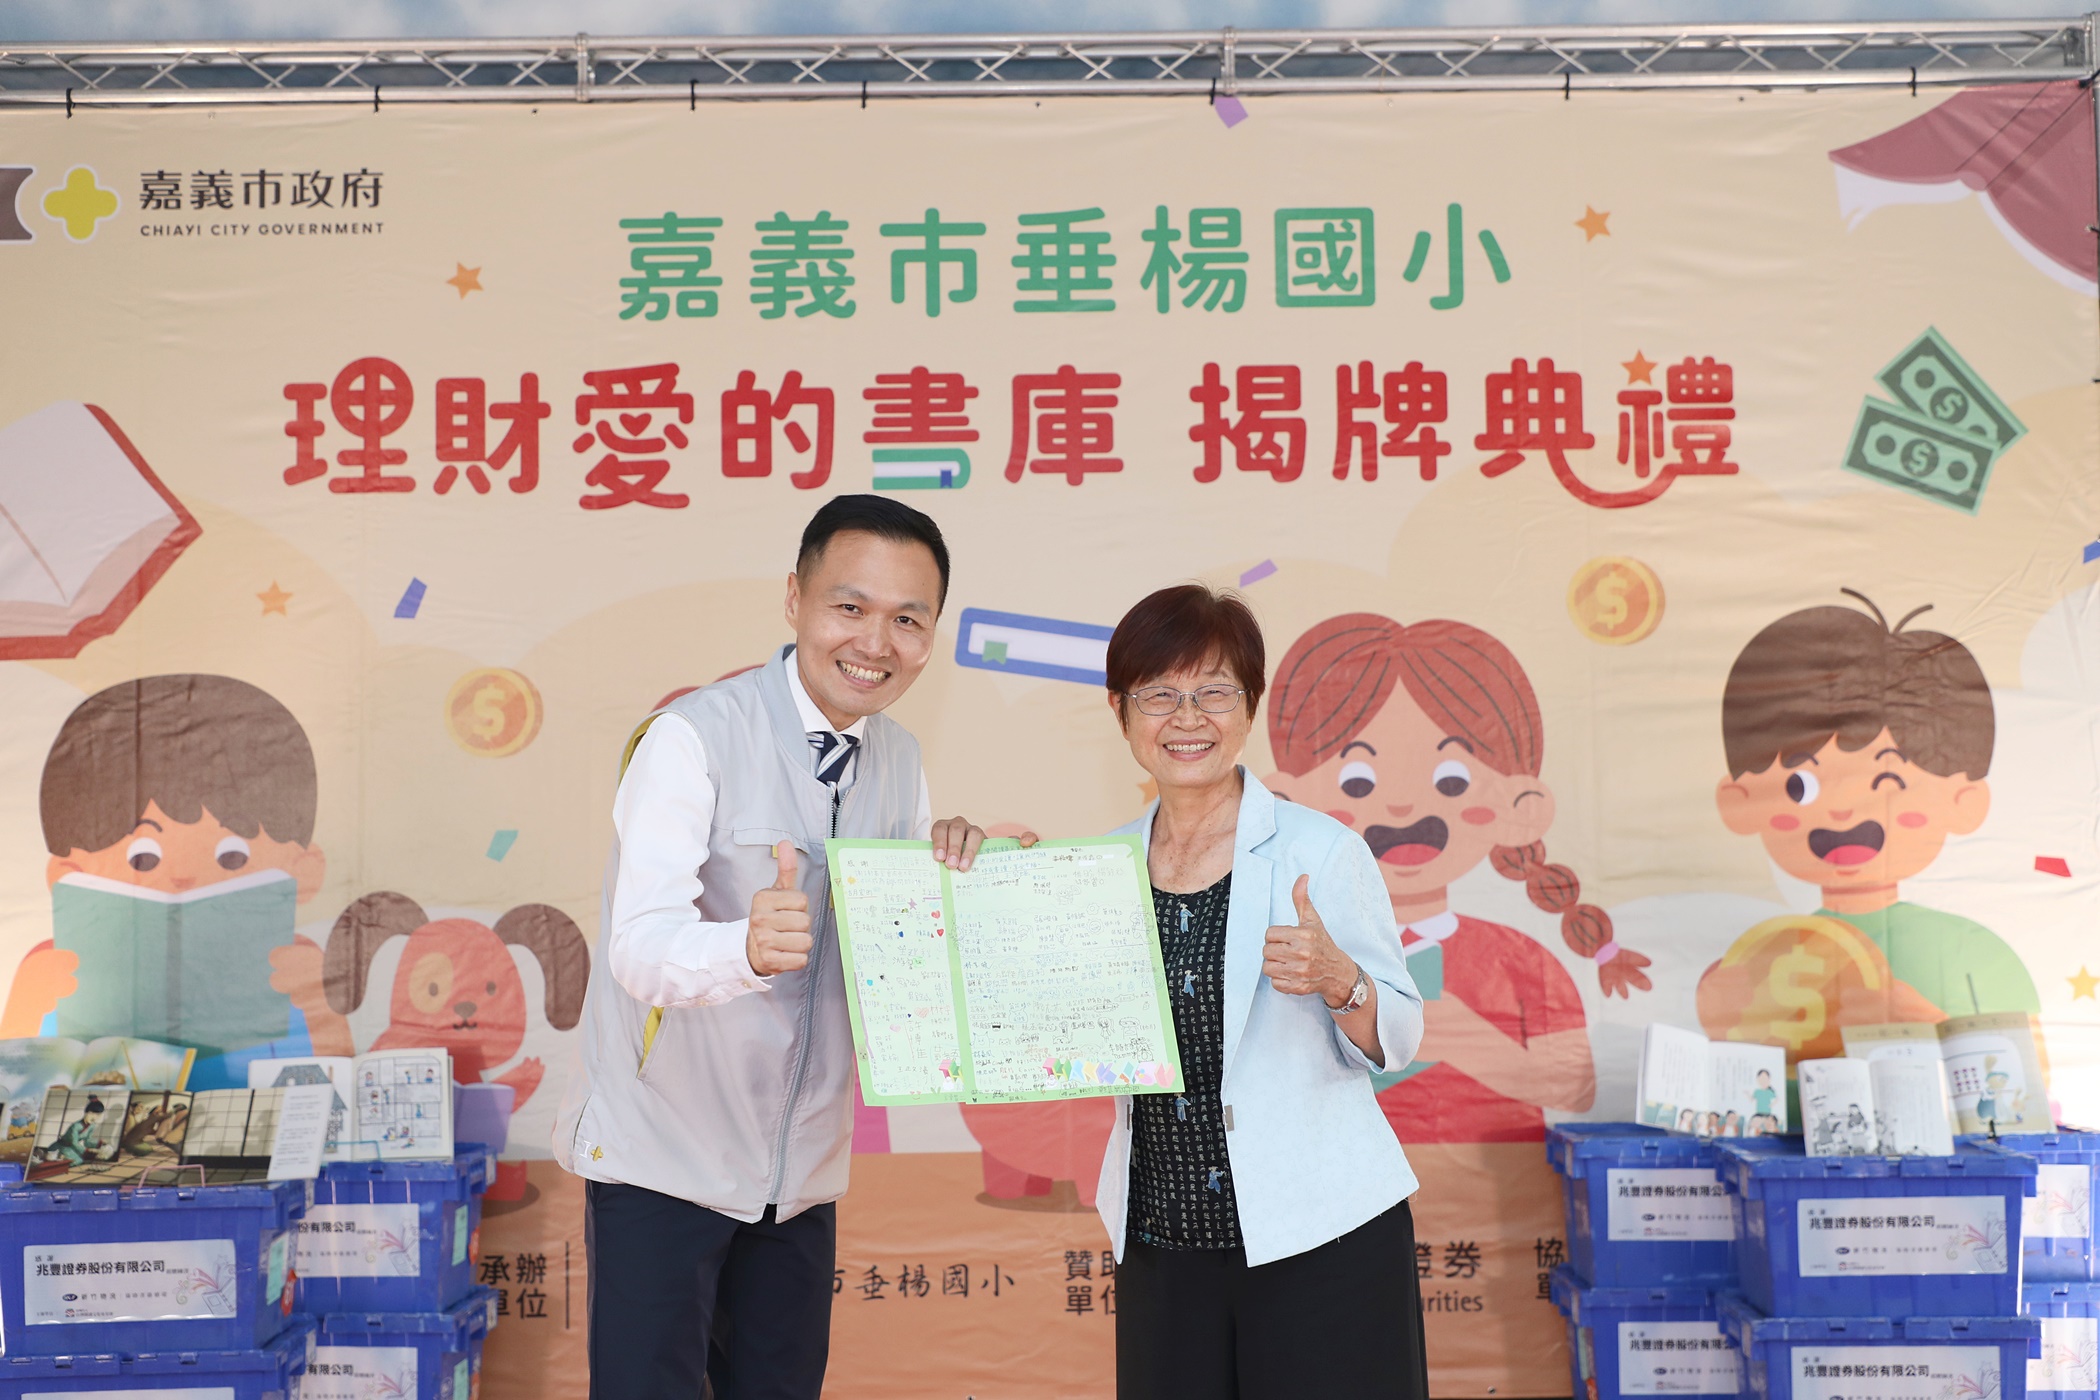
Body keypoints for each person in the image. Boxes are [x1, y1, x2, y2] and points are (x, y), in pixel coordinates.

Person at [555, 495, 1014, 1400]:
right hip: (664, 1159)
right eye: (850, 607)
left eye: (908, 619)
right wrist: (746, 950)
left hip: (798, 1177)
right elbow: (637, 948)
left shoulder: (899, 760)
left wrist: (971, 895)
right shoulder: (692, 737)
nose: (875, 643)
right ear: (796, 598)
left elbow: (896, 969)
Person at [1092, 584, 1428, 1400]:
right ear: (1120, 709)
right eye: (1159, 694)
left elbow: (1401, 1035)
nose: (1188, 718)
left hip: (1321, 1238)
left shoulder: (1320, 851)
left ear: (1250, 706)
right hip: (1162, 1240)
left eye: (1214, 692)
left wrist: (1341, 979)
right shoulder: (1100, 867)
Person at [1265, 613, 1639, 1146]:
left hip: (1499, 1184)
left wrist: (1470, 1042)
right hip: (1343, 1178)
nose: (1401, 804)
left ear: (1521, 805)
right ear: (1287, 799)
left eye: (1452, 779)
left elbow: (1575, 1088)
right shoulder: (1289, 956)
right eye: (1358, 781)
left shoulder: (1518, 960)